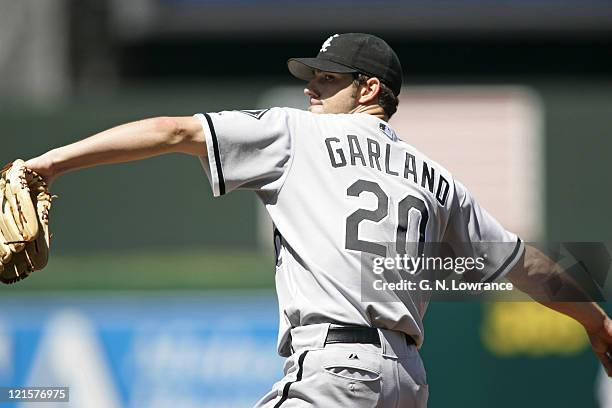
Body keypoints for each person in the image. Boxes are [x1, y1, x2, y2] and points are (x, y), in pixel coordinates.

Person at [24, 33, 612, 407]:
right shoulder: (439, 179)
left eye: (328, 78)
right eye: (313, 75)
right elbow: (528, 265)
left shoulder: (297, 133)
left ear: (370, 88)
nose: (312, 86)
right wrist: (597, 324)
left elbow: (173, 131)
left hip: (336, 369)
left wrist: (49, 164)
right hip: (407, 383)